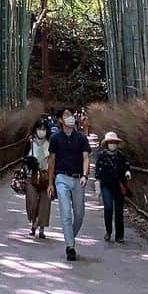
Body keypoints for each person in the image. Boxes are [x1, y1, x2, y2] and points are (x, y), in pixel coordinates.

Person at [47, 109, 90, 260]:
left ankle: (69, 236)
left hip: (78, 178)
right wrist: (50, 183)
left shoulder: (81, 138)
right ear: (60, 120)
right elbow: (51, 161)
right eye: (66, 115)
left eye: (71, 114)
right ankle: (70, 247)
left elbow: (86, 158)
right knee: (65, 213)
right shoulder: (55, 138)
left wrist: (85, 175)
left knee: (79, 214)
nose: (69, 117)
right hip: (61, 178)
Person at [94, 131, 132, 243]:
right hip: (106, 185)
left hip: (119, 185)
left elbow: (126, 167)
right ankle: (108, 231)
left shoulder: (121, 156)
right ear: (106, 143)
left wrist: (127, 173)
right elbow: (98, 172)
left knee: (119, 210)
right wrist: (98, 186)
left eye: (114, 142)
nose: (112, 144)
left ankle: (120, 235)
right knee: (108, 208)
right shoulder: (102, 156)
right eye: (110, 142)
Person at [24, 117, 52, 238]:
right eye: (39, 129)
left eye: (44, 129)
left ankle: (41, 228)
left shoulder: (50, 143)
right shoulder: (29, 142)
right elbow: (23, 158)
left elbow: (54, 160)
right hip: (32, 176)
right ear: (35, 130)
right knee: (32, 201)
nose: (42, 131)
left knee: (45, 202)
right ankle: (33, 223)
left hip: (46, 176)